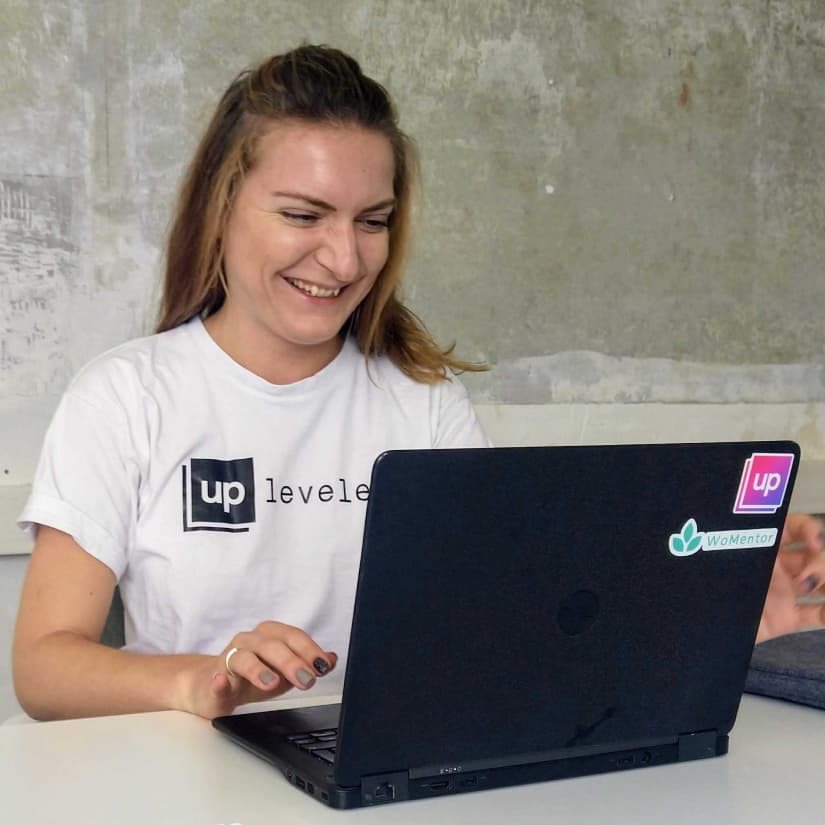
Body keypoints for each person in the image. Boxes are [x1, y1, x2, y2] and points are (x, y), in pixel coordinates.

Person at [12, 45, 825, 722]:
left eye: (372, 221)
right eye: (303, 215)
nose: (343, 258)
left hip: (384, 770)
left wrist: (717, 620)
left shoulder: (422, 400)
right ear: (222, 207)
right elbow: (44, 668)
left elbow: (500, 630)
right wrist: (201, 678)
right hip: (187, 780)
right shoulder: (125, 397)